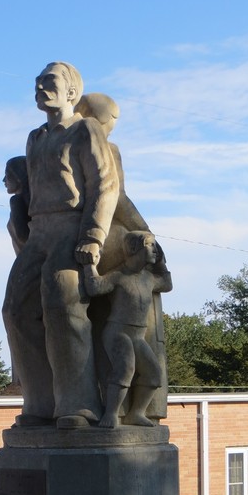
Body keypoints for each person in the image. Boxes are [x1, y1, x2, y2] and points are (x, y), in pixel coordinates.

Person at [2, 62, 119, 428]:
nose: (40, 86)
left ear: (72, 92)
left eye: (49, 81)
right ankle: (41, 403)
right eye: (37, 81)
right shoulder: (35, 138)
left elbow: (105, 184)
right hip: (39, 233)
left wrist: (93, 235)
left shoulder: (85, 130)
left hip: (72, 228)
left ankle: (78, 406)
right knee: (16, 312)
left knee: (63, 310)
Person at [75, 93, 171, 419]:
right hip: (107, 238)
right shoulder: (106, 149)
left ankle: (132, 412)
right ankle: (115, 414)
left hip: (83, 241)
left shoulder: (60, 143)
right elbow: (116, 198)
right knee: (121, 355)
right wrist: (146, 231)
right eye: (110, 122)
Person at [83, 231, 172, 428]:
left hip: (138, 335)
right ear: (134, 248)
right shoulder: (119, 276)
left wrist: (162, 263)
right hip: (118, 332)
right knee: (125, 370)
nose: (155, 250)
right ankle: (111, 414)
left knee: (154, 374)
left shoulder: (148, 278)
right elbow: (95, 288)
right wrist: (89, 265)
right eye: (150, 245)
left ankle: (136, 413)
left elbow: (167, 284)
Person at [3, 156, 30, 256]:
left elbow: (22, 236)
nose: (4, 180)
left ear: (18, 177)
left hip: (27, 259)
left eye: (7, 174)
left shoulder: (16, 201)